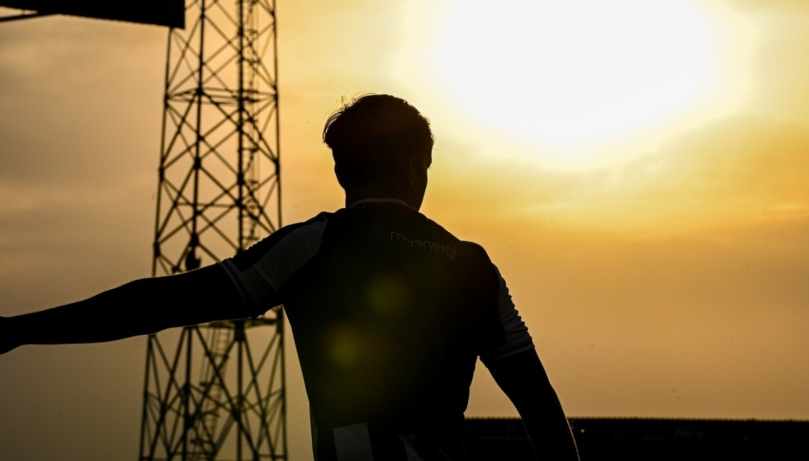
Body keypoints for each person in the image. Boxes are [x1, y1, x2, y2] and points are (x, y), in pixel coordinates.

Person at [0, 94, 579, 461]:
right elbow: (544, 415)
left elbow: (158, 304)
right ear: (412, 167)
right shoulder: (473, 267)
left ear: (340, 167)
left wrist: (20, 327)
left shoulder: (316, 244)